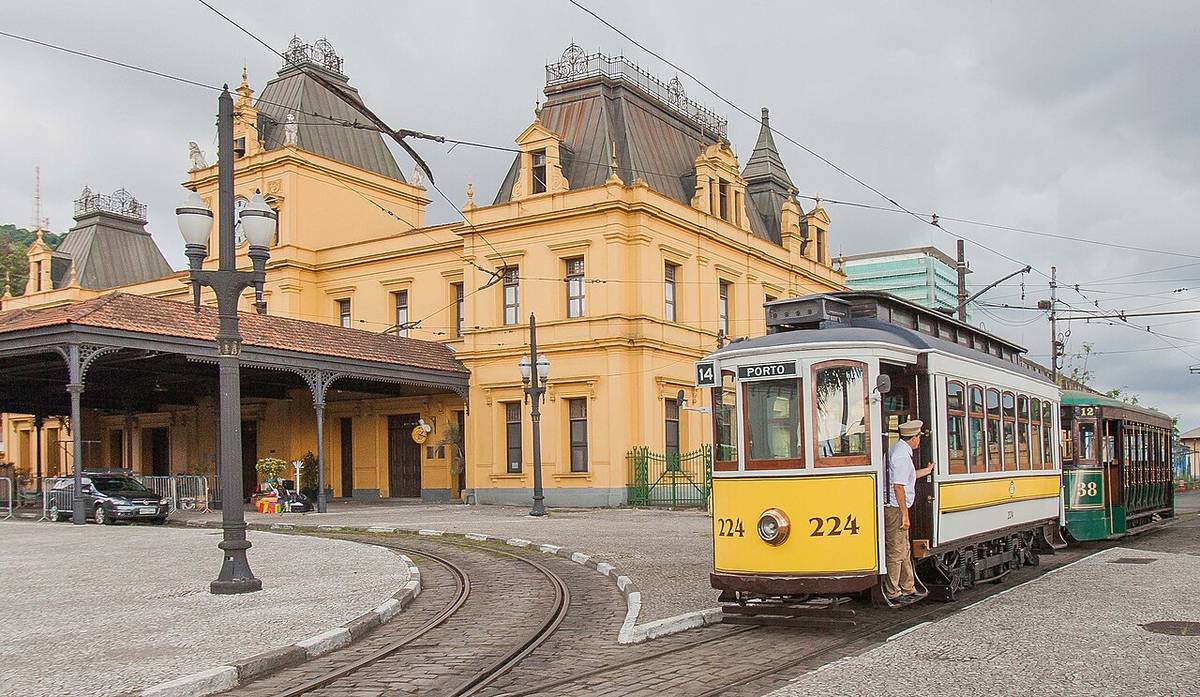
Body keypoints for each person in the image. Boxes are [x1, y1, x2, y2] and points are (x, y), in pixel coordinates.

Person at [884, 419, 935, 603]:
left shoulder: (899, 451)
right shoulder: (902, 457)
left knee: (904, 548)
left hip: (898, 507)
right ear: (914, 438)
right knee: (897, 550)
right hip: (896, 508)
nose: (919, 440)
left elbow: (909, 477)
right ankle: (893, 591)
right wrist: (905, 514)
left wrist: (927, 471)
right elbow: (898, 487)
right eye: (918, 437)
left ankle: (908, 587)